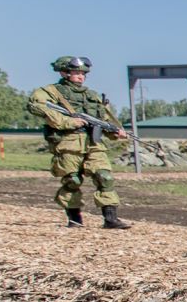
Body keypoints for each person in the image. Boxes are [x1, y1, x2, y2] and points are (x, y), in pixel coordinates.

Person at [27, 56, 131, 229]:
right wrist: (67, 122)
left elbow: (104, 118)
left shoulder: (92, 96)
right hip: (68, 142)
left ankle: (110, 219)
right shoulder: (51, 92)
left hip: (93, 142)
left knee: (104, 176)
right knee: (72, 181)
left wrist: (116, 131)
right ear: (64, 72)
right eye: (76, 73)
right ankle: (75, 219)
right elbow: (35, 105)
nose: (81, 76)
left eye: (83, 73)